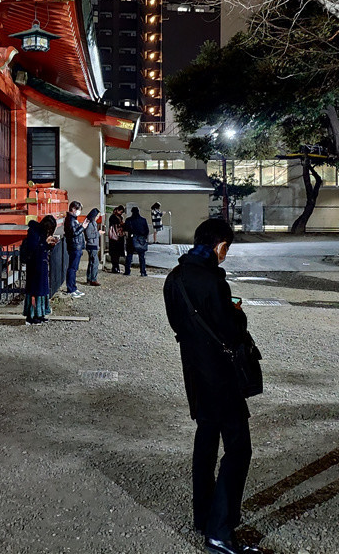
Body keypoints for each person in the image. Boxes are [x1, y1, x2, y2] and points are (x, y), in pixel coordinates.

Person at [163, 218, 256, 554]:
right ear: (220, 246)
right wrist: (237, 314)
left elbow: (179, 325)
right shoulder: (214, 281)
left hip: (195, 375)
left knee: (205, 443)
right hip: (222, 377)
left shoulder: (174, 279)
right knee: (238, 449)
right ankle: (219, 531)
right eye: (226, 248)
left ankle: (203, 515)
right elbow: (231, 332)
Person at [21, 215, 58, 325]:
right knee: (35, 291)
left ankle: (40, 314)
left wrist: (50, 245)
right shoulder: (34, 232)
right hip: (34, 265)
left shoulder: (39, 232)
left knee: (40, 290)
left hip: (40, 264)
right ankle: (32, 315)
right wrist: (45, 243)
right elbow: (33, 249)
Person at [63, 200, 87, 298]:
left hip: (76, 246)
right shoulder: (71, 220)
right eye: (78, 210)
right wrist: (83, 227)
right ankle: (71, 289)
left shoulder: (72, 219)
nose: (79, 212)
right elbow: (73, 233)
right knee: (72, 268)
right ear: (73, 209)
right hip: (74, 246)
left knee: (74, 268)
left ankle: (73, 288)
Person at [124, 206, 150, 277]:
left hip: (131, 239)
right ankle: (143, 272)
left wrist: (127, 238)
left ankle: (127, 271)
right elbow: (147, 231)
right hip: (141, 240)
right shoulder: (143, 220)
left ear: (132, 212)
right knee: (141, 257)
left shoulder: (128, 220)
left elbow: (125, 231)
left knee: (129, 256)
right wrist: (144, 238)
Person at [83, 212, 105, 287]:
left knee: (91, 262)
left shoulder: (91, 223)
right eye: (97, 216)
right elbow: (89, 235)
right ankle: (93, 279)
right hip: (92, 245)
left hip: (92, 244)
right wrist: (98, 233)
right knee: (95, 262)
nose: (97, 217)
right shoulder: (90, 224)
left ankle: (89, 278)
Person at [108, 205, 127, 273]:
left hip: (116, 238)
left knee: (116, 254)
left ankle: (116, 267)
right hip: (116, 237)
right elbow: (117, 225)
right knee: (115, 254)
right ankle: (115, 267)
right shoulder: (114, 217)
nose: (121, 213)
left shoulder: (115, 217)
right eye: (120, 212)